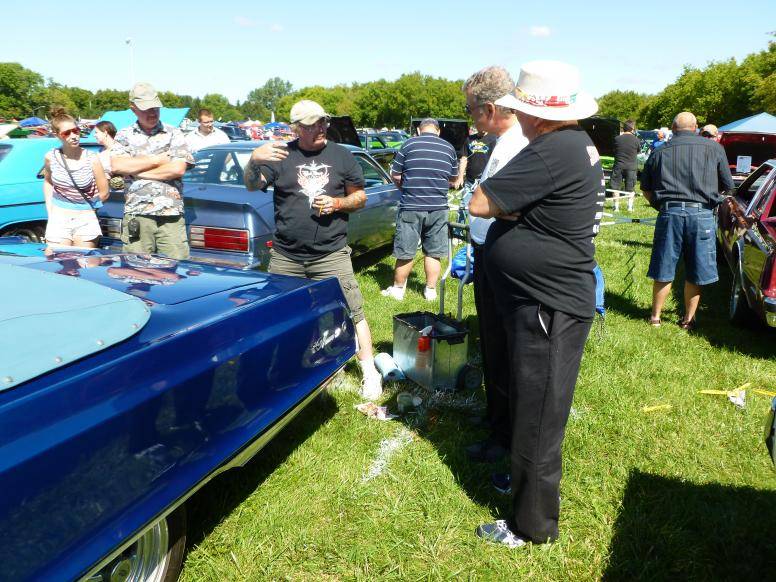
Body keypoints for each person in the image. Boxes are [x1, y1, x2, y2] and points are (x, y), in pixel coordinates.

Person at [469, 60, 605, 548]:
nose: (518, 118)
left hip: (548, 303)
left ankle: (532, 526)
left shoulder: (552, 149)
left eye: (522, 110)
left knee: (538, 417)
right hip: (543, 298)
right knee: (534, 407)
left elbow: (480, 202)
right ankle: (524, 497)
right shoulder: (571, 143)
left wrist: (513, 210)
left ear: (538, 114)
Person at [242, 99, 383, 400]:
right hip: (286, 256)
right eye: (311, 125)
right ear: (296, 128)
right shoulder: (282, 155)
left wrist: (338, 203)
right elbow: (252, 185)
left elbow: (360, 197)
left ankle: (370, 372)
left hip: (330, 254)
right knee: (281, 316)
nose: (320, 128)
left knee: (353, 310)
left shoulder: (341, 155)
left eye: (322, 122)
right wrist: (253, 160)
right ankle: (287, 372)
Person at [461, 65, 528, 464]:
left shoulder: (517, 143)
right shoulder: (504, 141)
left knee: (502, 347)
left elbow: (503, 205)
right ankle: (495, 416)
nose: (470, 118)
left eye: (470, 109)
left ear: (488, 109)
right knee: (490, 341)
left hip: (501, 257)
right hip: (488, 251)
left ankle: (503, 435)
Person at [641, 111, 734, 329]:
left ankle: (655, 317)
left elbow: (645, 188)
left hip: (669, 213)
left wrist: (661, 206)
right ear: (696, 127)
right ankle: (688, 320)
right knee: (696, 268)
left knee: (664, 266)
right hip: (701, 215)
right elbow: (728, 186)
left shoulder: (659, 150)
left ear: (673, 128)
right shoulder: (715, 148)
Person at [111, 82, 194, 260]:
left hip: (170, 215)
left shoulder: (174, 133)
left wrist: (137, 171)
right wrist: (157, 160)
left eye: (155, 108)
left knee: (177, 268)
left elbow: (178, 168)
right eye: (146, 109)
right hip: (138, 214)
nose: (152, 113)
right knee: (136, 270)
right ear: (133, 109)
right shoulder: (124, 135)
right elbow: (118, 166)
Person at [381, 118, 458, 301]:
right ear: (438, 131)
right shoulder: (448, 148)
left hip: (411, 205)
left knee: (405, 250)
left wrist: (405, 188)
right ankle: (430, 290)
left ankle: (398, 289)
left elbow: (395, 175)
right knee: (434, 252)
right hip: (438, 207)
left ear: (418, 130)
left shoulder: (408, 144)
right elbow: (453, 179)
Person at [42, 107, 109, 248]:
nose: (74, 136)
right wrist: (50, 209)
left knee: (86, 260)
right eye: (67, 133)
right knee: (57, 259)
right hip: (59, 217)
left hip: (85, 218)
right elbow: (48, 182)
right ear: (57, 135)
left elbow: (104, 192)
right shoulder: (50, 157)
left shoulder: (92, 158)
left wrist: (90, 209)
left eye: (76, 130)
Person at [610, 119, 640, 193]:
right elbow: (638, 151)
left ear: (623, 128)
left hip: (618, 166)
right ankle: (629, 201)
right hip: (631, 167)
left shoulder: (617, 139)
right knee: (630, 189)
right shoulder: (636, 140)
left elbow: (613, 151)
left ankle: (615, 200)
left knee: (615, 187)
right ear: (633, 128)